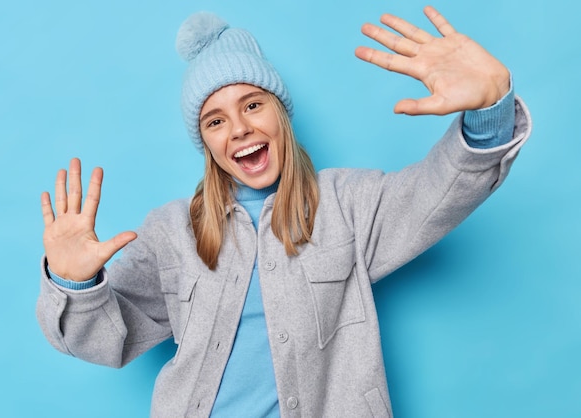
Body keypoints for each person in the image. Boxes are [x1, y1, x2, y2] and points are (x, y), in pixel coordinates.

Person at [36, 6, 531, 418]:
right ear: (206, 142)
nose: (238, 129)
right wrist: (73, 284)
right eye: (215, 120)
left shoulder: (348, 204)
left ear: (280, 113)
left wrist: (489, 110)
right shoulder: (172, 231)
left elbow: (439, 192)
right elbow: (107, 341)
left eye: (252, 105)